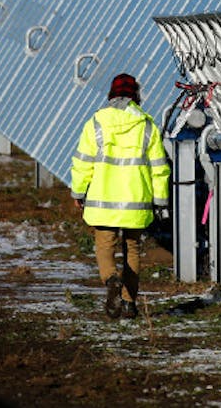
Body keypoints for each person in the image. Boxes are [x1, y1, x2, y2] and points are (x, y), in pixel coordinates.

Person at [69, 72, 170, 319]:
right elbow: (159, 167)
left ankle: (111, 279)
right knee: (132, 249)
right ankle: (128, 303)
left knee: (105, 245)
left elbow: (83, 161)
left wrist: (78, 191)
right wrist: (160, 201)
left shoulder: (96, 122)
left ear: (111, 95)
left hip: (103, 202)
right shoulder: (147, 125)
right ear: (136, 95)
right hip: (136, 203)